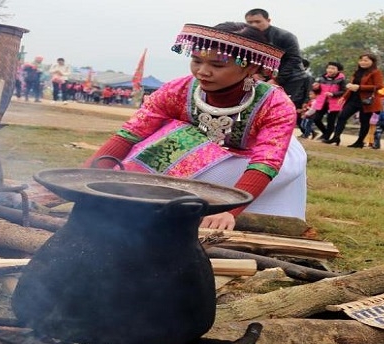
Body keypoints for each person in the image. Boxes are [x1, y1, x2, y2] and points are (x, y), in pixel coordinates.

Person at [86, 22, 307, 230]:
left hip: (259, 161)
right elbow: (129, 134)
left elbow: (266, 161)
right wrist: (85, 181)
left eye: (217, 65)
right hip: (199, 153)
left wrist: (230, 209)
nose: (202, 71)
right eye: (196, 61)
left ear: (249, 67)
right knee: (170, 139)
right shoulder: (177, 90)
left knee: (190, 149)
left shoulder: (275, 104)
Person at [244, 9, 308, 111]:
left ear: (268, 20)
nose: (254, 25)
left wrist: (276, 79)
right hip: (262, 77)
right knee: (254, 105)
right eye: (250, 22)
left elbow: (294, 59)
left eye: (258, 21)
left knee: (280, 108)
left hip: (290, 78)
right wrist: (253, 73)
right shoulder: (247, 38)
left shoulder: (285, 36)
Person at [323, 53, 384, 147]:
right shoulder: (357, 72)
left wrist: (360, 87)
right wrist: (344, 97)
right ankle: (336, 137)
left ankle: (360, 141)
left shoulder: (376, 72)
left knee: (364, 121)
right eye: (361, 60)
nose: (363, 62)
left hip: (367, 101)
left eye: (366, 60)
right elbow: (352, 86)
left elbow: (379, 86)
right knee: (342, 116)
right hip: (353, 99)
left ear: (372, 62)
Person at [312, 61, 347, 141]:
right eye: (328, 68)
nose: (330, 70)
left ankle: (326, 137)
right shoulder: (322, 78)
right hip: (322, 102)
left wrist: (333, 94)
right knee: (316, 119)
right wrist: (316, 88)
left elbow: (344, 91)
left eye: (333, 68)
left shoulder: (341, 80)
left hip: (334, 103)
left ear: (338, 70)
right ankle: (325, 133)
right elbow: (317, 92)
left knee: (330, 121)